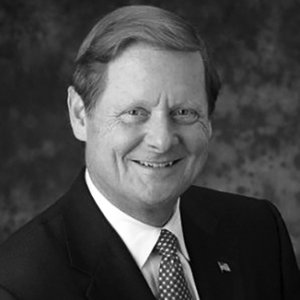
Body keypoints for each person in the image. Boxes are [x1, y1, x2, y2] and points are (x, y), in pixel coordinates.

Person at [0, 5, 299, 300]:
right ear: (79, 115)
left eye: (184, 112)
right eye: (135, 112)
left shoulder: (259, 233)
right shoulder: (20, 283)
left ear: (208, 119)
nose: (162, 141)